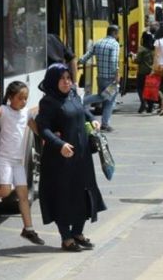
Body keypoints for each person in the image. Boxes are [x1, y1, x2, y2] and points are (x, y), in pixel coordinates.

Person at [36, 64, 106, 252]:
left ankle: (77, 232)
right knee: (63, 197)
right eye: (62, 78)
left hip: (81, 156)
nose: (67, 82)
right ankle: (66, 237)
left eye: (68, 77)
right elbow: (43, 128)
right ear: (53, 81)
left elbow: (82, 111)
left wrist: (92, 118)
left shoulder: (73, 94)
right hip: (60, 159)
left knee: (84, 192)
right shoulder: (49, 102)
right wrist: (60, 145)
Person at [0, 82, 45, 246]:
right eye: (20, 98)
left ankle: (28, 229)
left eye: (26, 99)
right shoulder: (4, 111)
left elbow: (38, 130)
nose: (23, 102)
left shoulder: (26, 114)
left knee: (23, 195)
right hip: (3, 158)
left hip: (17, 162)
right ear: (10, 98)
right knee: (5, 191)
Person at [79, 25, 120, 132]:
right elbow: (114, 61)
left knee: (106, 98)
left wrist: (79, 61)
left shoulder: (99, 42)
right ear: (115, 33)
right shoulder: (114, 44)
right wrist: (116, 75)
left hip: (100, 77)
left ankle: (105, 124)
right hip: (110, 78)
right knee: (106, 99)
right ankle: (81, 101)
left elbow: (87, 55)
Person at [135, 33, 156, 114]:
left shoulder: (142, 49)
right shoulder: (154, 49)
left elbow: (137, 60)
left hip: (142, 72)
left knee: (140, 88)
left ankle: (143, 102)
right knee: (150, 89)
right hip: (152, 72)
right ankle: (150, 106)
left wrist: (133, 56)